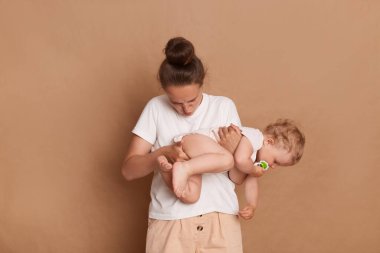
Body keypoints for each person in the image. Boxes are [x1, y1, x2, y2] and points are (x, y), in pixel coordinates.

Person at [121, 37, 244, 252]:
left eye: (192, 101)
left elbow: (237, 177)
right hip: (170, 222)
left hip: (221, 220)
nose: (186, 110)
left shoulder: (224, 107)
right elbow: (128, 171)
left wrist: (233, 153)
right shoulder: (155, 108)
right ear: (165, 91)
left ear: (201, 84)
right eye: (176, 103)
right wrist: (163, 154)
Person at [157, 119, 305, 220]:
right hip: (195, 141)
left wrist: (252, 205)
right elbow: (240, 160)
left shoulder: (255, 161)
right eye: (276, 161)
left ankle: (167, 170)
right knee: (227, 160)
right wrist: (252, 169)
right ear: (268, 142)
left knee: (190, 195)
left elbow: (240, 179)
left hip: (195, 160)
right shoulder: (255, 137)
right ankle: (184, 168)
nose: (273, 166)